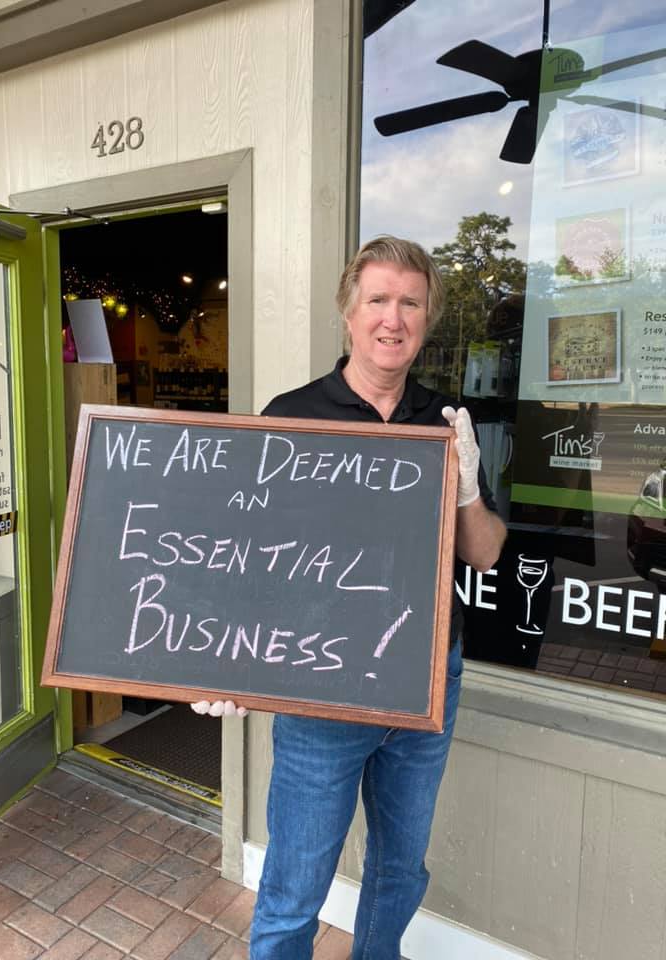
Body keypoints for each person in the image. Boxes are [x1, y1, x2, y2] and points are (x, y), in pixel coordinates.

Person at [192, 235, 507, 959]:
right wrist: (220, 663)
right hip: (321, 685)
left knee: (400, 870)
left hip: (426, 682)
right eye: (378, 300)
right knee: (295, 885)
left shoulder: (445, 422)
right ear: (349, 312)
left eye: (410, 303)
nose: (393, 318)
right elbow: (242, 559)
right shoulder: (293, 415)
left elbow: (485, 552)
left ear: (426, 320)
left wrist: (466, 490)